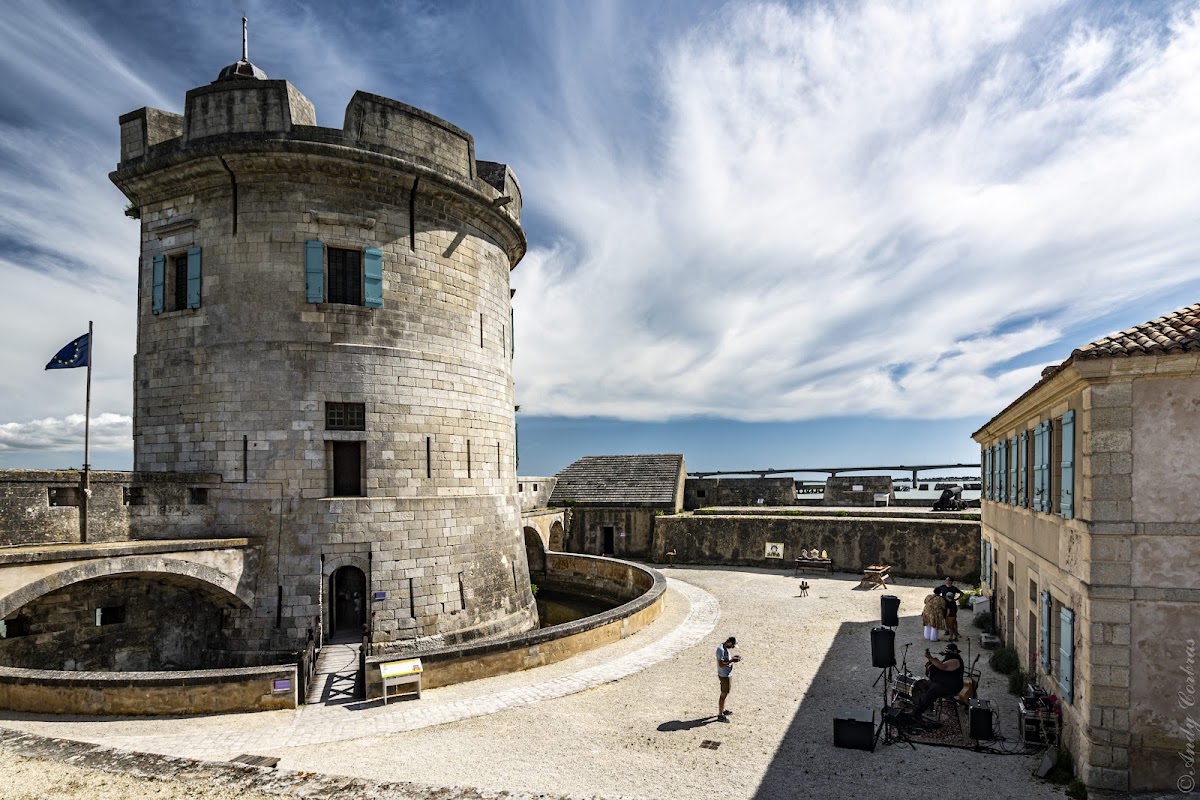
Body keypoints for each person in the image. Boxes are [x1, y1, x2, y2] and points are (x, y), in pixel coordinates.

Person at [907, 642, 964, 719]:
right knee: (926, 684)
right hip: (944, 681)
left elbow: (943, 666)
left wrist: (930, 657)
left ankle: (916, 713)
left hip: (952, 686)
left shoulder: (956, 661)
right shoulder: (950, 657)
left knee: (933, 690)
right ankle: (929, 704)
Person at [716, 636, 741, 722]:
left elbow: (725, 660)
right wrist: (731, 661)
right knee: (723, 694)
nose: (732, 647)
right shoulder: (721, 650)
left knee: (725, 694)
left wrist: (732, 658)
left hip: (726, 674)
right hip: (724, 675)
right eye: (732, 645)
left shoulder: (724, 648)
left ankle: (722, 710)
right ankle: (720, 715)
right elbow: (721, 664)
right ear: (729, 642)